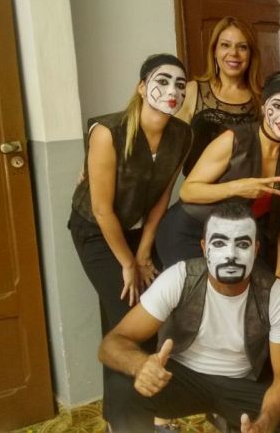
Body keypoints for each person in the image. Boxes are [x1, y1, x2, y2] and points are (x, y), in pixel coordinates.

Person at [69, 53, 193, 426]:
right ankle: (134, 421)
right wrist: (127, 263)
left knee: (137, 315)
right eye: (162, 81)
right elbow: (101, 209)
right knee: (130, 319)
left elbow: (162, 198)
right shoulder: (108, 132)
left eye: (180, 85)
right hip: (95, 230)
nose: (172, 91)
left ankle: (127, 413)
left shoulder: (182, 134)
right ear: (141, 87)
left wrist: (142, 252)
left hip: (138, 232)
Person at [99, 202, 280, 432]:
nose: (231, 255)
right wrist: (141, 365)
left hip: (239, 385)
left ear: (255, 249)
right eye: (219, 243)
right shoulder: (179, 278)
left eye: (242, 244)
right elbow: (111, 343)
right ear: (204, 248)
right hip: (181, 379)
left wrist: (264, 423)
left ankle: (230, 421)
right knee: (122, 386)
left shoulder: (276, 295)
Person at [155, 71, 280, 283]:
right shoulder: (234, 139)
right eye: (277, 106)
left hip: (237, 238)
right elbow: (188, 191)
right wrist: (238, 187)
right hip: (190, 230)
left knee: (260, 291)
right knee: (204, 294)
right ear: (263, 107)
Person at [176, 16, 262, 176]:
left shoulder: (262, 99)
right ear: (214, 51)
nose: (233, 53)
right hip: (198, 190)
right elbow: (171, 152)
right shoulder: (192, 91)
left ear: (251, 54)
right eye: (225, 45)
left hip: (246, 190)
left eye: (242, 47)